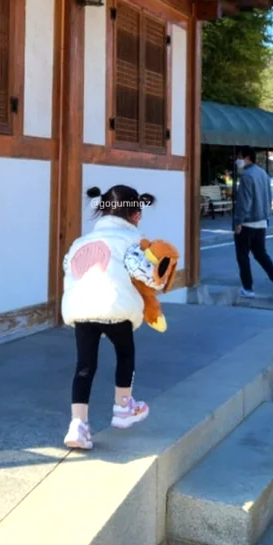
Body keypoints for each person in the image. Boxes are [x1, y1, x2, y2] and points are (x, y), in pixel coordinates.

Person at [61, 184, 160, 451]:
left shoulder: (81, 242)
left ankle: (78, 425)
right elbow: (147, 275)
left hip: (82, 309)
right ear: (136, 214)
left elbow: (67, 267)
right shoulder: (132, 242)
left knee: (84, 367)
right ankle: (123, 407)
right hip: (116, 307)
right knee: (125, 354)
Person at [233, 147, 273, 302]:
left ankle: (247, 288)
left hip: (248, 222)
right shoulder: (263, 174)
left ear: (247, 157)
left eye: (239, 156)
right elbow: (268, 197)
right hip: (262, 221)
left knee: (243, 256)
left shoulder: (247, 176)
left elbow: (244, 201)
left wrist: (238, 221)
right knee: (261, 254)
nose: (237, 160)